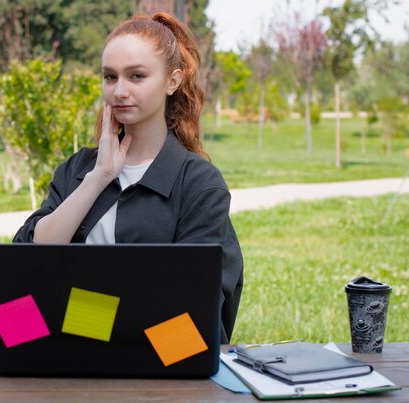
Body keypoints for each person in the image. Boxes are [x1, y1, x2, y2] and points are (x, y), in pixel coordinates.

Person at [13, 12, 243, 343]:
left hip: (162, 367)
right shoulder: (78, 169)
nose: (120, 91)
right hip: (64, 356)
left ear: (172, 81)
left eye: (136, 76)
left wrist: (73, 313)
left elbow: (192, 318)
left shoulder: (199, 184)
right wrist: (99, 177)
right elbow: (21, 269)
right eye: (110, 77)